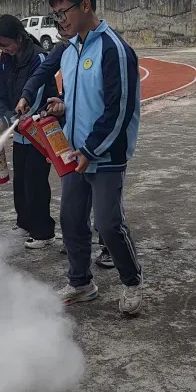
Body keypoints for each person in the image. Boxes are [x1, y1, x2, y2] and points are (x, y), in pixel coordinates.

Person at [28, 0, 143, 316]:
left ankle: (132, 281)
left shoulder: (114, 49)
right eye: (55, 15)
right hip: (74, 152)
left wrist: (91, 149)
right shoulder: (70, 50)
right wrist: (62, 106)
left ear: (86, 6)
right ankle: (81, 283)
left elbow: (118, 109)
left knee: (107, 224)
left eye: (63, 12)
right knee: (71, 219)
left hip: (105, 155)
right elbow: (80, 97)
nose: (59, 20)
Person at [17, 28, 114, 270]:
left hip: (101, 142)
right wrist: (31, 95)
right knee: (72, 208)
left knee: (106, 210)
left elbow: (111, 102)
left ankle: (109, 247)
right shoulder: (64, 49)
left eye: (64, 19)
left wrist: (96, 145)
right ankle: (78, 266)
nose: (62, 37)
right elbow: (43, 73)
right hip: (73, 140)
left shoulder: (107, 48)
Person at [0, 15, 58, 249]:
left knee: (35, 181)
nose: (4, 50)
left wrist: (9, 119)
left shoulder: (38, 57)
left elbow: (34, 98)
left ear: (19, 37)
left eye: (6, 44)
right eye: (0, 46)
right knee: (20, 180)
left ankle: (43, 232)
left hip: (38, 130)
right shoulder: (6, 60)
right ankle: (25, 222)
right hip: (19, 131)